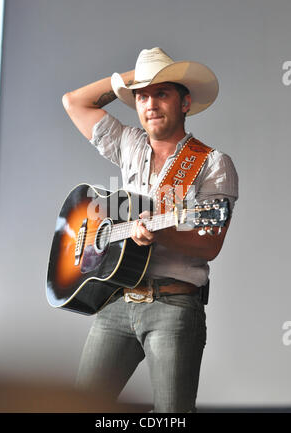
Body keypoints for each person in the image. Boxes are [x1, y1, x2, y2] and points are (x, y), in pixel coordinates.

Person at [62, 47, 238, 413]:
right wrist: (139, 76)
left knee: (172, 417)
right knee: (79, 408)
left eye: (162, 93)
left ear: (185, 102)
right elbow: (74, 102)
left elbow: (210, 245)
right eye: (141, 97)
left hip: (173, 306)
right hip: (116, 299)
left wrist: (162, 233)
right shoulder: (129, 143)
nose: (150, 104)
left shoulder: (212, 163)